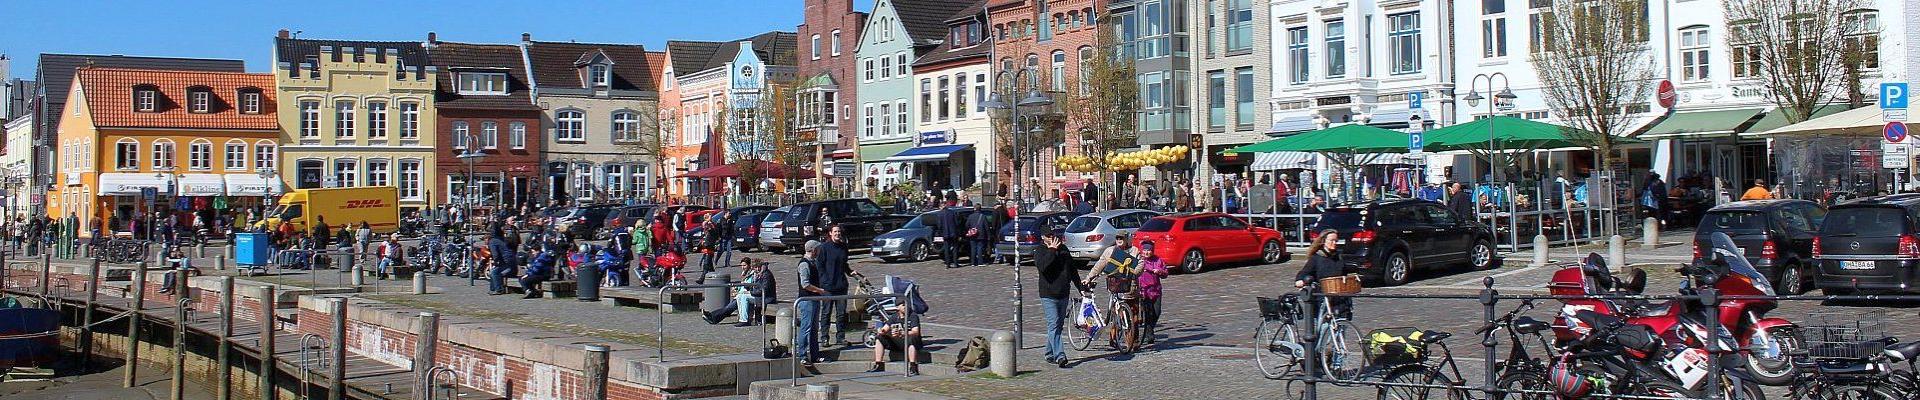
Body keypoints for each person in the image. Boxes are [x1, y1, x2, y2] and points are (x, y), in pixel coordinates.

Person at [1082, 232, 1141, 350]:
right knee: (1115, 312)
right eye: (1117, 238)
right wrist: (1089, 277)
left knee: (1133, 315)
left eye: (1122, 238)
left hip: (1130, 287)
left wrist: (1134, 272)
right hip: (1115, 286)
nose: (1119, 240)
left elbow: (1140, 264)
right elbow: (1100, 265)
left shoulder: (1134, 251)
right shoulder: (1110, 251)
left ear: (1127, 239)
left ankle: (1134, 341)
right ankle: (1113, 338)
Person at [1033, 228, 1080, 367]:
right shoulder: (1040, 250)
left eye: (1053, 234)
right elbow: (1043, 267)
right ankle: (1060, 355)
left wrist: (1080, 287)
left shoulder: (1064, 249)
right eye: (1049, 235)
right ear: (1043, 237)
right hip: (1048, 294)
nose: (1052, 237)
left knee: (1058, 326)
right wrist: (1052, 250)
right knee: (1053, 324)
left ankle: (1049, 352)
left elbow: (1072, 270)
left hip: (1063, 292)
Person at [1294, 229, 1354, 319]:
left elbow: (1344, 274)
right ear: (1323, 241)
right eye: (1332, 240)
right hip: (1322, 298)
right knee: (1324, 327)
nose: (1334, 243)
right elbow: (1304, 273)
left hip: (1338, 298)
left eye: (1336, 241)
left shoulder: (1339, 257)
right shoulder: (1316, 258)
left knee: (1340, 325)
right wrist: (1300, 281)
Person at [704, 258, 776, 326]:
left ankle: (742, 320)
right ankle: (714, 316)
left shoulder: (765, 275)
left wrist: (749, 292)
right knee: (738, 299)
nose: (755, 269)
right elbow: (750, 286)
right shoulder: (757, 273)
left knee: (737, 301)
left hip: (765, 297)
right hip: (755, 295)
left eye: (744, 265)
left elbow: (763, 289)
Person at [864, 298, 924, 376]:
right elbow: (885, 328)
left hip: (912, 342)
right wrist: (881, 331)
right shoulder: (894, 317)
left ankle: (913, 366)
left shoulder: (913, 316)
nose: (906, 306)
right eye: (903, 305)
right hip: (898, 342)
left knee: (912, 339)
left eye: (907, 304)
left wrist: (904, 333)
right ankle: (878, 364)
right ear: (897, 307)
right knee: (880, 338)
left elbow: (915, 331)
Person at [1136, 241, 1169, 345]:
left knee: (1157, 312)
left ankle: (1149, 330)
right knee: (1148, 313)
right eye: (1145, 250)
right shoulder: (1139, 260)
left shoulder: (1158, 260)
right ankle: (1149, 334)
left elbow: (1165, 273)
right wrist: (1149, 269)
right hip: (1144, 291)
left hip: (1156, 290)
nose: (1147, 252)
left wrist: (1159, 271)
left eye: (1149, 250)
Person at [936, 204, 963, 268]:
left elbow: (939, 225)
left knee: (946, 249)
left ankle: (948, 264)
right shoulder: (952, 212)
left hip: (945, 234)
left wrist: (940, 233)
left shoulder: (939, 214)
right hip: (953, 233)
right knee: (955, 248)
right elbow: (956, 223)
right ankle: (955, 263)